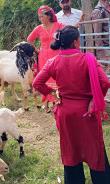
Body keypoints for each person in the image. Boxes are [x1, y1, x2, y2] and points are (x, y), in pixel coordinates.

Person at [33, 26, 110, 184]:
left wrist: (53, 93)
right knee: (94, 150)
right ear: (76, 42)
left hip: (66, 113)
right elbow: (105, 82)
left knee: (71, 152)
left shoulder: (53, 62)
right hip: (87, 112)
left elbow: (37, 82)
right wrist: (94, 100)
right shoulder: (87, 59)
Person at [27, 6, 65, 113]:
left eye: (42, 16)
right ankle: (46, 102)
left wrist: (78, 23)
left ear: (49, 16)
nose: (40, 19)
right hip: (43, 56)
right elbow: (29, 39)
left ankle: (55, 102)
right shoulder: (38, 28)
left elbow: (68, 30)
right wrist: (36, 50)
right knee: (46, 79)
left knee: (56, 78)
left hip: (57, 54)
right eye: (39, 17)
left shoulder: (58, 26)